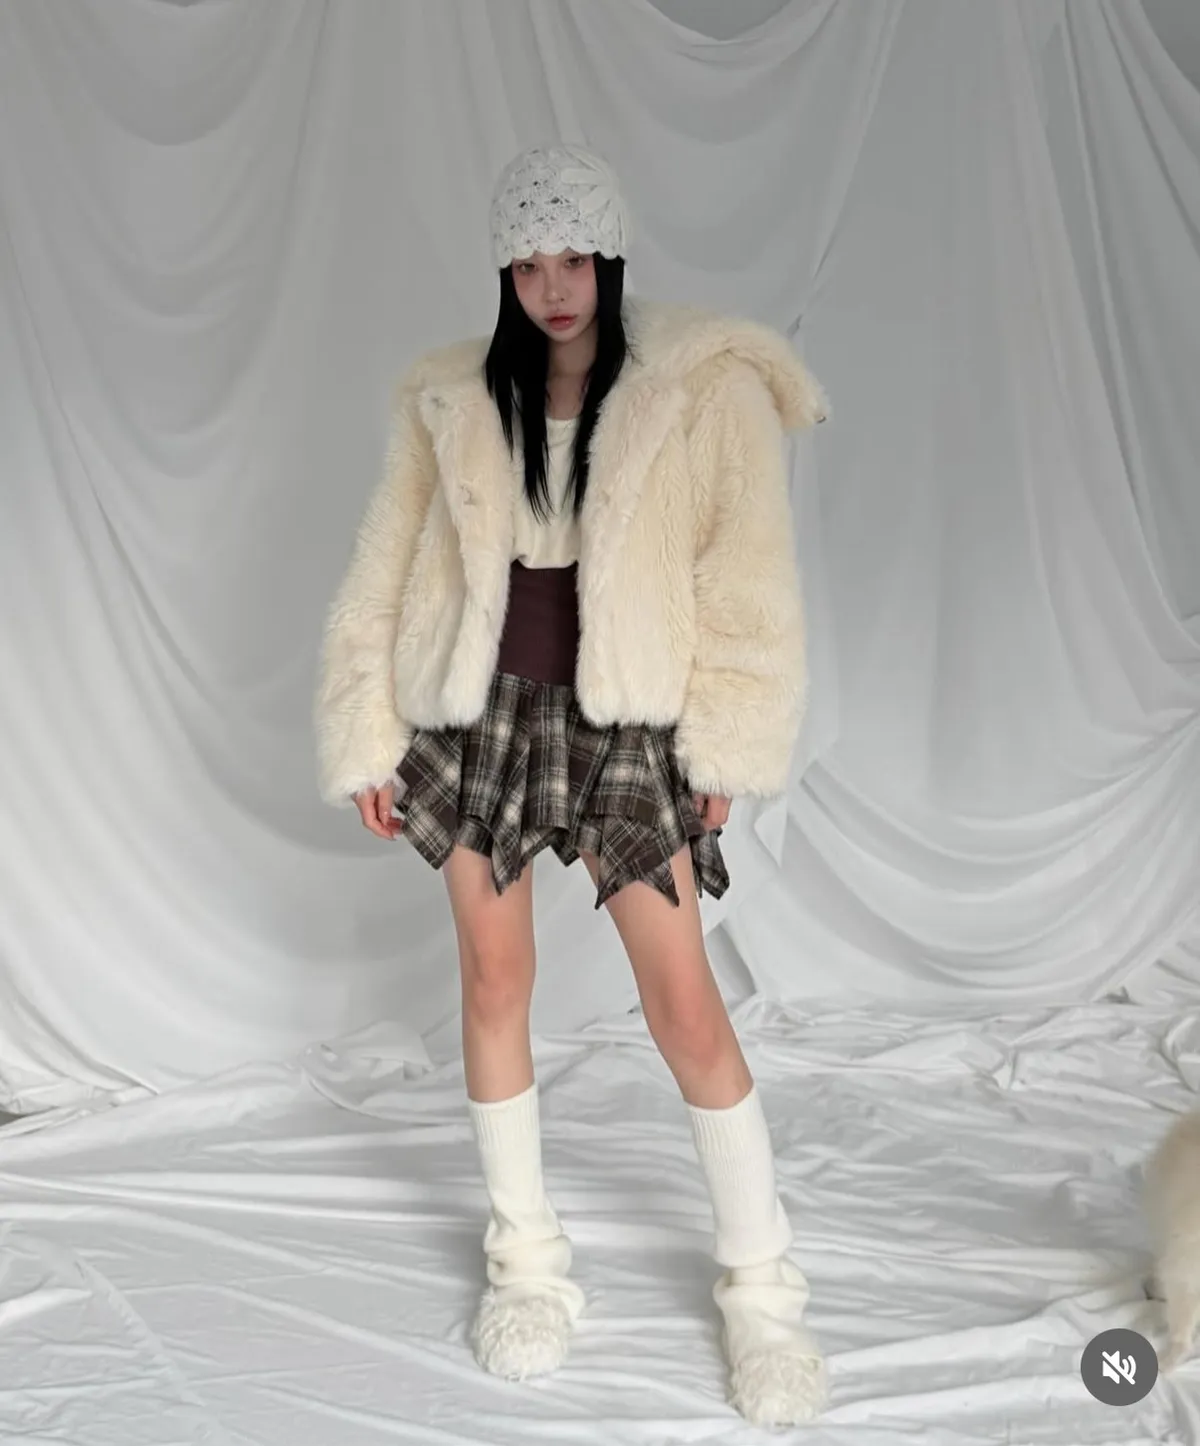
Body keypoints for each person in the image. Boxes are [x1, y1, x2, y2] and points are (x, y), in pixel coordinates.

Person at [314, 143, 829, 1427]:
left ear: (610, 258)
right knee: (494, 983)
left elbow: (747, 574)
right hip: (482, 715)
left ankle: (764, 1293)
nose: (554, 287)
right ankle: (527, 1263)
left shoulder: (696, 388)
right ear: (504, 272)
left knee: (685, 1004)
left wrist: (723, 748)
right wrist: (365, 732)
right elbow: (387, 563)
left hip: (627, 721)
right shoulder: (452, 397)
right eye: (530, 264)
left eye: (575, 260)